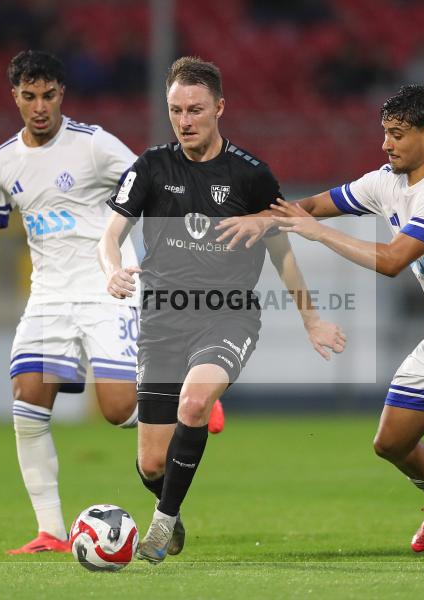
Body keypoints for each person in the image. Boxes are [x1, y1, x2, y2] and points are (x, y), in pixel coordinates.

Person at [218, 85, 424, 563]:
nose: (386, 144)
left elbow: (394, 260)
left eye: (397, 135)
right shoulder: (388, 181)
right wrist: (262, 219)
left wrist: (316, 233)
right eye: (385, 133)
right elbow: (314, 205)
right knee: (391, 441)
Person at [98, 56, 346, 564]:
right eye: (175, 110)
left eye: (195, 109)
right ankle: (169, 502)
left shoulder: (251, 176)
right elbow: (111, 234)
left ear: (219, 108)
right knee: (150, 464)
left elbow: (281, 252)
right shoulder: (150, 166)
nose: (184, 121)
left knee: (192, 403)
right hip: (162, 320)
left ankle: (161, 527)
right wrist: (111, 269)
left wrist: (311, 317)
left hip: (227, 313)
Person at [0, 50, 144, 555]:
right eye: (29, 96)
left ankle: (181, 401)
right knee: (28, 401)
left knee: (118, 411)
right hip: (50, 297)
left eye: (49, 95)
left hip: (106, 287)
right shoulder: (0, 164)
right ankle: (51, 530)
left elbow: (148, 180)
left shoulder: (94, 146)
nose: (40, 106)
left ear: (62, 94)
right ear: (15, 96)